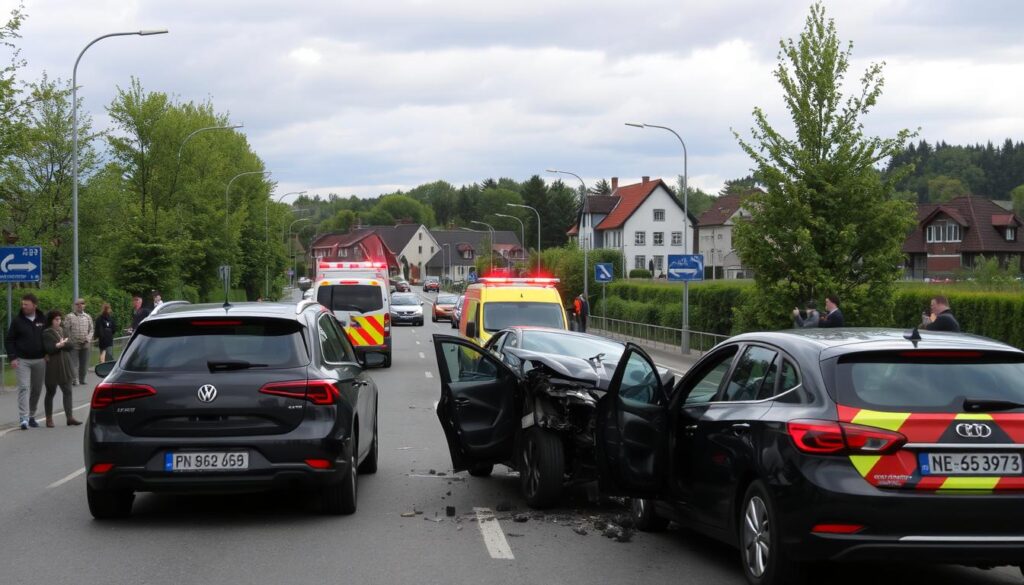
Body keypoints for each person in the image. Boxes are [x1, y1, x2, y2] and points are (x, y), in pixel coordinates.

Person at [4, 293, 47, 429]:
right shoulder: (17, 321)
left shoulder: (42, 319)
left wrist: (47, 353)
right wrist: (12, 357)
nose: (23, 307)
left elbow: (48, 337)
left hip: (40, 360)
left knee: (37, 389)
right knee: (23, 388)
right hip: (22, 360)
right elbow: (9, 340)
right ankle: (23, 418)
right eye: (22, 304)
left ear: (34, 305)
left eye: (26, 304)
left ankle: (32, 416)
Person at [42, 310, 81, 427]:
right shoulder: (46, 333)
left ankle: (69, 417)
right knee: (51, 391)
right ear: (51, 320)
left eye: (59, 319)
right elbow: (50, 349)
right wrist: (59, 345)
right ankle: (49, 418)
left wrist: (62, 344)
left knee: (68, 391)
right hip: (53, 365)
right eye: (56, 319)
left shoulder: (63, 330)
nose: (59, 321)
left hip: (65, 363)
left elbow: (71, 345)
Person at [64, 298, 93, 386]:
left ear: (84, 305)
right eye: (77, 304)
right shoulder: (69, 316)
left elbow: (91, 329)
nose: (80, 305)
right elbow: (66, 329)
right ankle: (75, 380)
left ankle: (82, 379)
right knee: (74, 363)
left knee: (84, 363)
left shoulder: (88, 317)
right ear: (74, 305)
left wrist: (88, 338)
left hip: (85, 344)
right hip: (74, 344)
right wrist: (70, 339)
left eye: (82, 303)